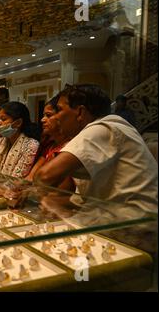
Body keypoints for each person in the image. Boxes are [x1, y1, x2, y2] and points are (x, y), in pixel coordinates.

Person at [35, 84, 157, 253]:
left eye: (60, 110)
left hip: (135, 228)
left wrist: (44, 199)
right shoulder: (104, 130)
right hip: (119, 220)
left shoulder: (103, 128)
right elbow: (80, 200)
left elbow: (45, 176)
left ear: (80, 112)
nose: (56, 118)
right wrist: (54, 202)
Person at [26, 95, 75, 191]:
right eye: (44, 115)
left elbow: (61, 190)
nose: (42, 120)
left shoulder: (69, 148)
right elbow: (31, 177)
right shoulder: (50, 145)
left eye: (48, 115)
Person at [0, 102, 39, 178]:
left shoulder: (31, 145)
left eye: (3, 119)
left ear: (18, 123)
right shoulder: (4, 140)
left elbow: (18, 178)